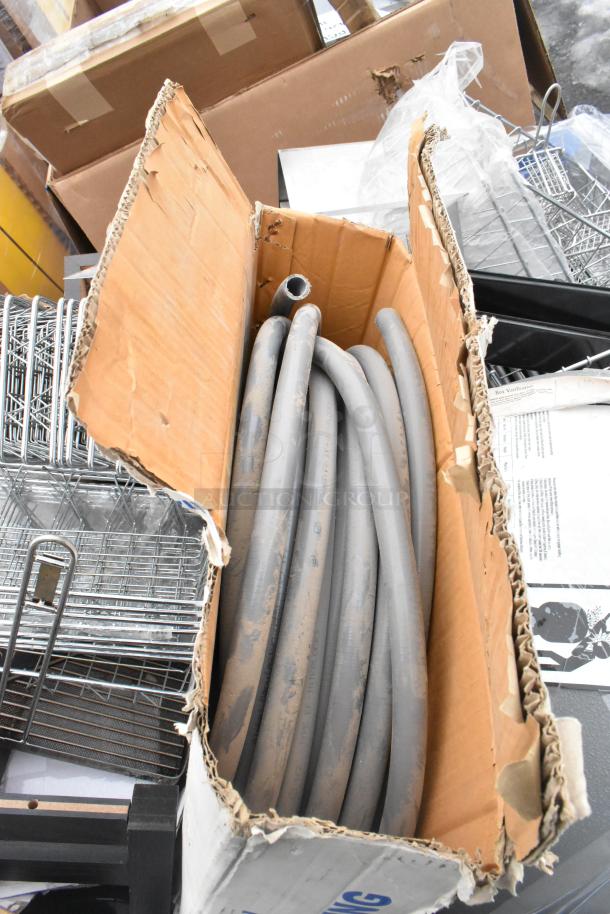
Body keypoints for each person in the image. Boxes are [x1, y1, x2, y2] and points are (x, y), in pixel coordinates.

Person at [531, 600, 610, 673]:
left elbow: (575, 652)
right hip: (565, 663)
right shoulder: (590, 652)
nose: (597, 642)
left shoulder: (589, 655)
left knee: (548, 655)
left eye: (599, 644)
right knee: (548, 654)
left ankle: (534, 664)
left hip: (565, 664)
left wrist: (591, 635)